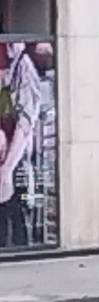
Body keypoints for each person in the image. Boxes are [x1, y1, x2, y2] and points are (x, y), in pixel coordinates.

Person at [0, 44, 41, 249]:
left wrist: (7, 168)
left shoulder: (22, 65)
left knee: (13, 214)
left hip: (17, 163)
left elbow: (26, 122)